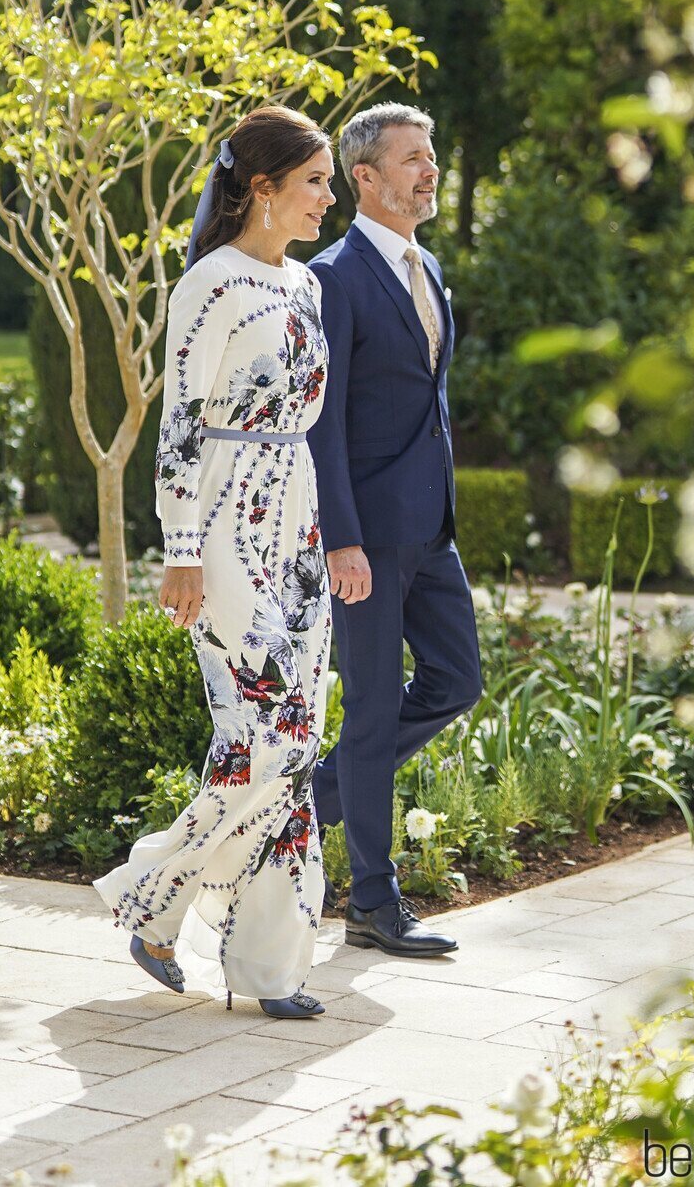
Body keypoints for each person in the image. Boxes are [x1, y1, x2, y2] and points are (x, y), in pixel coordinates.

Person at [93, 105, 336, 1019]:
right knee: (276, 731)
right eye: (313, 181)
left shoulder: (307, 287)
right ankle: (153, 892)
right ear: (262, 188)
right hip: (227, 523)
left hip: (297, 520)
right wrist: (182, 550)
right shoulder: (209, 284)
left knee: (283, 744)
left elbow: (310, 422)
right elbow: (181, 427)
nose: (328, 197)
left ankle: (269, 968)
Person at [307, 102, 483, 957]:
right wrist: (339, 538)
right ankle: (373, 904)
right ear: (364, 178)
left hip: (431, 529)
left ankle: (305, 799)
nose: (431, 168)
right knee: (373, 711)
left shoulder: (431, 267)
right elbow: (322, 422)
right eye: (413, 157)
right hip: (366, 540)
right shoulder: (333, 278)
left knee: (457, 681)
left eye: (433, 152)